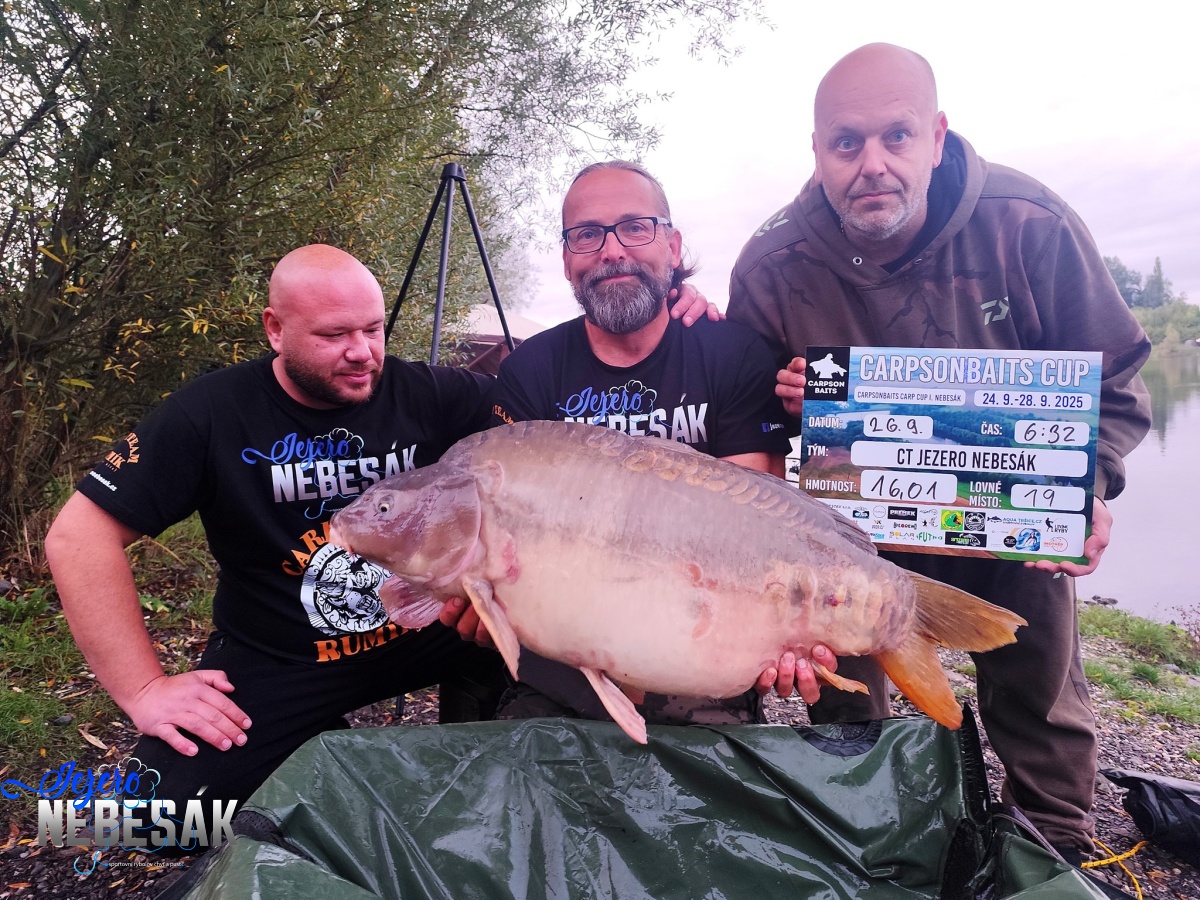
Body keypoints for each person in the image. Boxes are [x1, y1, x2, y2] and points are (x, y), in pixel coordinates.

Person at [726, 43, 1152, 863]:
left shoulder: (1031, 224)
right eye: (846, 143)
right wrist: (797, 413)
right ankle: (863, 824)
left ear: (937, 136)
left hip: (1008, 510)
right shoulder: (771, 265)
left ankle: (1050, 845)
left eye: (897, 136)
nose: (872, 164)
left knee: (1038, 655)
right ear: (816, 152)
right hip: (853, 524)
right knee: (843, 692)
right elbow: (748, 426)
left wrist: (1091, 484)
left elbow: (1116, 380)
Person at [44, 244, 507, 850]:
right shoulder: (210, 412)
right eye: (334, 334)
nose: (362, 352)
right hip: (286, 655)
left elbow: (552, 434)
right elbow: (78, 536)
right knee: (143, 823)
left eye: (373, 329)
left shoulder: (434, 394)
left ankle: (477, 772)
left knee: (557, 664)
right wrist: (144, 690)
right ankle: (324, 765)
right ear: (275, 329)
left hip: (430, 629)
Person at [442, 160, 839, 726]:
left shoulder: (731, 352)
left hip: (702, 657)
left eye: (635, 227)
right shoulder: (531, 370)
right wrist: (491, 605)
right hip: (562, 671)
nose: (611, 251)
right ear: (566, 260)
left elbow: (758, 531)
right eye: (587, 234)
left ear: (672, 246)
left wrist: (785, 634)